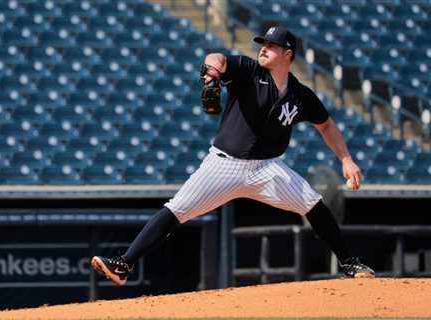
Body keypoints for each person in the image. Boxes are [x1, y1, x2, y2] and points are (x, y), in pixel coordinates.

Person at [91, 25, 375, 286]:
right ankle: (124, 265)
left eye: (272, 45)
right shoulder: (249, 70)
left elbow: (325, 125)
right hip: (224, 164)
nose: (263, 48)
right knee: (176, 209)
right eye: (263, 43)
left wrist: (346, 158)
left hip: (267, 168)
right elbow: (217, 58)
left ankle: (349, 263)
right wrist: (212, 73)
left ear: (288, 54)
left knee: (314, 204)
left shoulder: (301, 95)